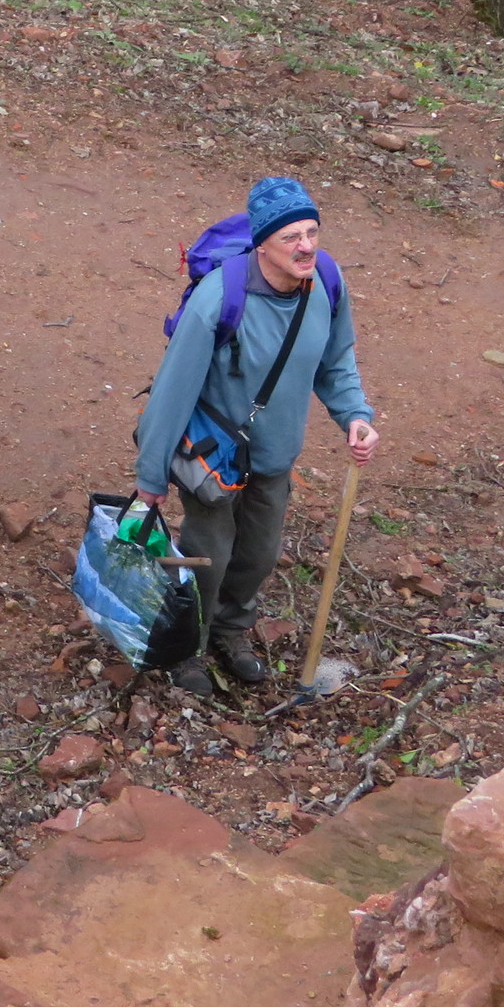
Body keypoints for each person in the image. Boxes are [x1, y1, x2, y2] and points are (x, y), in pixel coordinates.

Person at [132, 175, 379, 692]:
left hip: (274, 452)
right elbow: (172, 392)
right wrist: (151, 474)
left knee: (259, 554)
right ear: (262, 243)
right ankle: (188, 647)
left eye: (311, 232)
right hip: (212, 457)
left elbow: (336, 360)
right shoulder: (219, 299)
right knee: (210, 556)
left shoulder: (326, 281)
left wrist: (354, 415)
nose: (306, 246)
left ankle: (230, 631)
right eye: (291, 237)